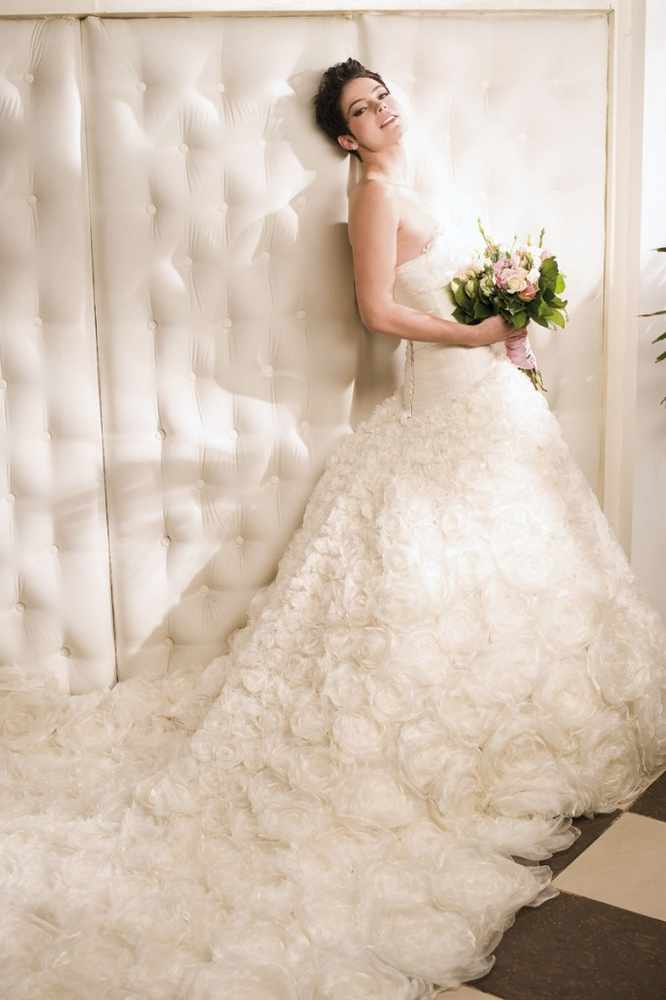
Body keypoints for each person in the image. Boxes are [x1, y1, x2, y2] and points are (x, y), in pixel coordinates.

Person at [2, 57, 666, 1000]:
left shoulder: (408, 179)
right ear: (346, 136)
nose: (383, 111)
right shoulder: (372, 195)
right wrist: (475, 334)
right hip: (443, 399)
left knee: (515, 572)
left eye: (384, 96)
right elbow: (378, 310)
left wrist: (506, 326)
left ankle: (526, 725)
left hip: (486, 401)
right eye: (363, 109)